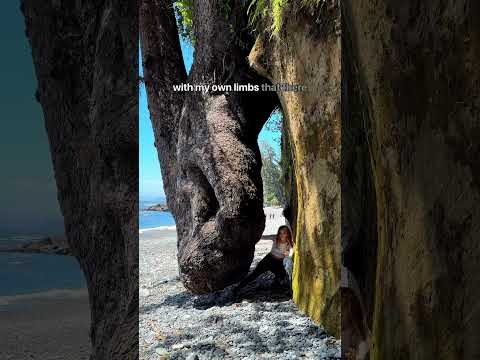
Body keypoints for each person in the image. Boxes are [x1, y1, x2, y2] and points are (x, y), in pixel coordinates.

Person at [233, 225, 295, 296]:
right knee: (254, 275)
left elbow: (291, 251)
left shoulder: (289, 243)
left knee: (282, 275)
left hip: (278, 263)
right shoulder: (275, 238)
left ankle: (274, 287)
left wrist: (289, 254)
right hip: (268, 260)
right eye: (280, 233)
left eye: (284, 233)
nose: (282, 235)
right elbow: (264, 237)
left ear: (288, 234)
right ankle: (238, 288)